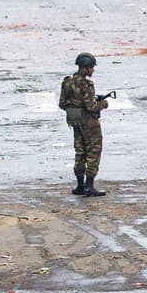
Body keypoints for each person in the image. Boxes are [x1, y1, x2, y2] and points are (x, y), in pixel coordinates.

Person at [59, 52, 108, 197]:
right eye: (91, 67)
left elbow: (62, 104)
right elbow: (92, 107)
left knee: (80, 152)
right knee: (93, 152)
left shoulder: (67, 82)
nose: (93, 70)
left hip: (75, 122)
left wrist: (76, 107)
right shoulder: (86, 84)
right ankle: (89, 186)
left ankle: (80, 185)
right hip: (89, 124)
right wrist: (103, 103)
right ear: (85, 68)